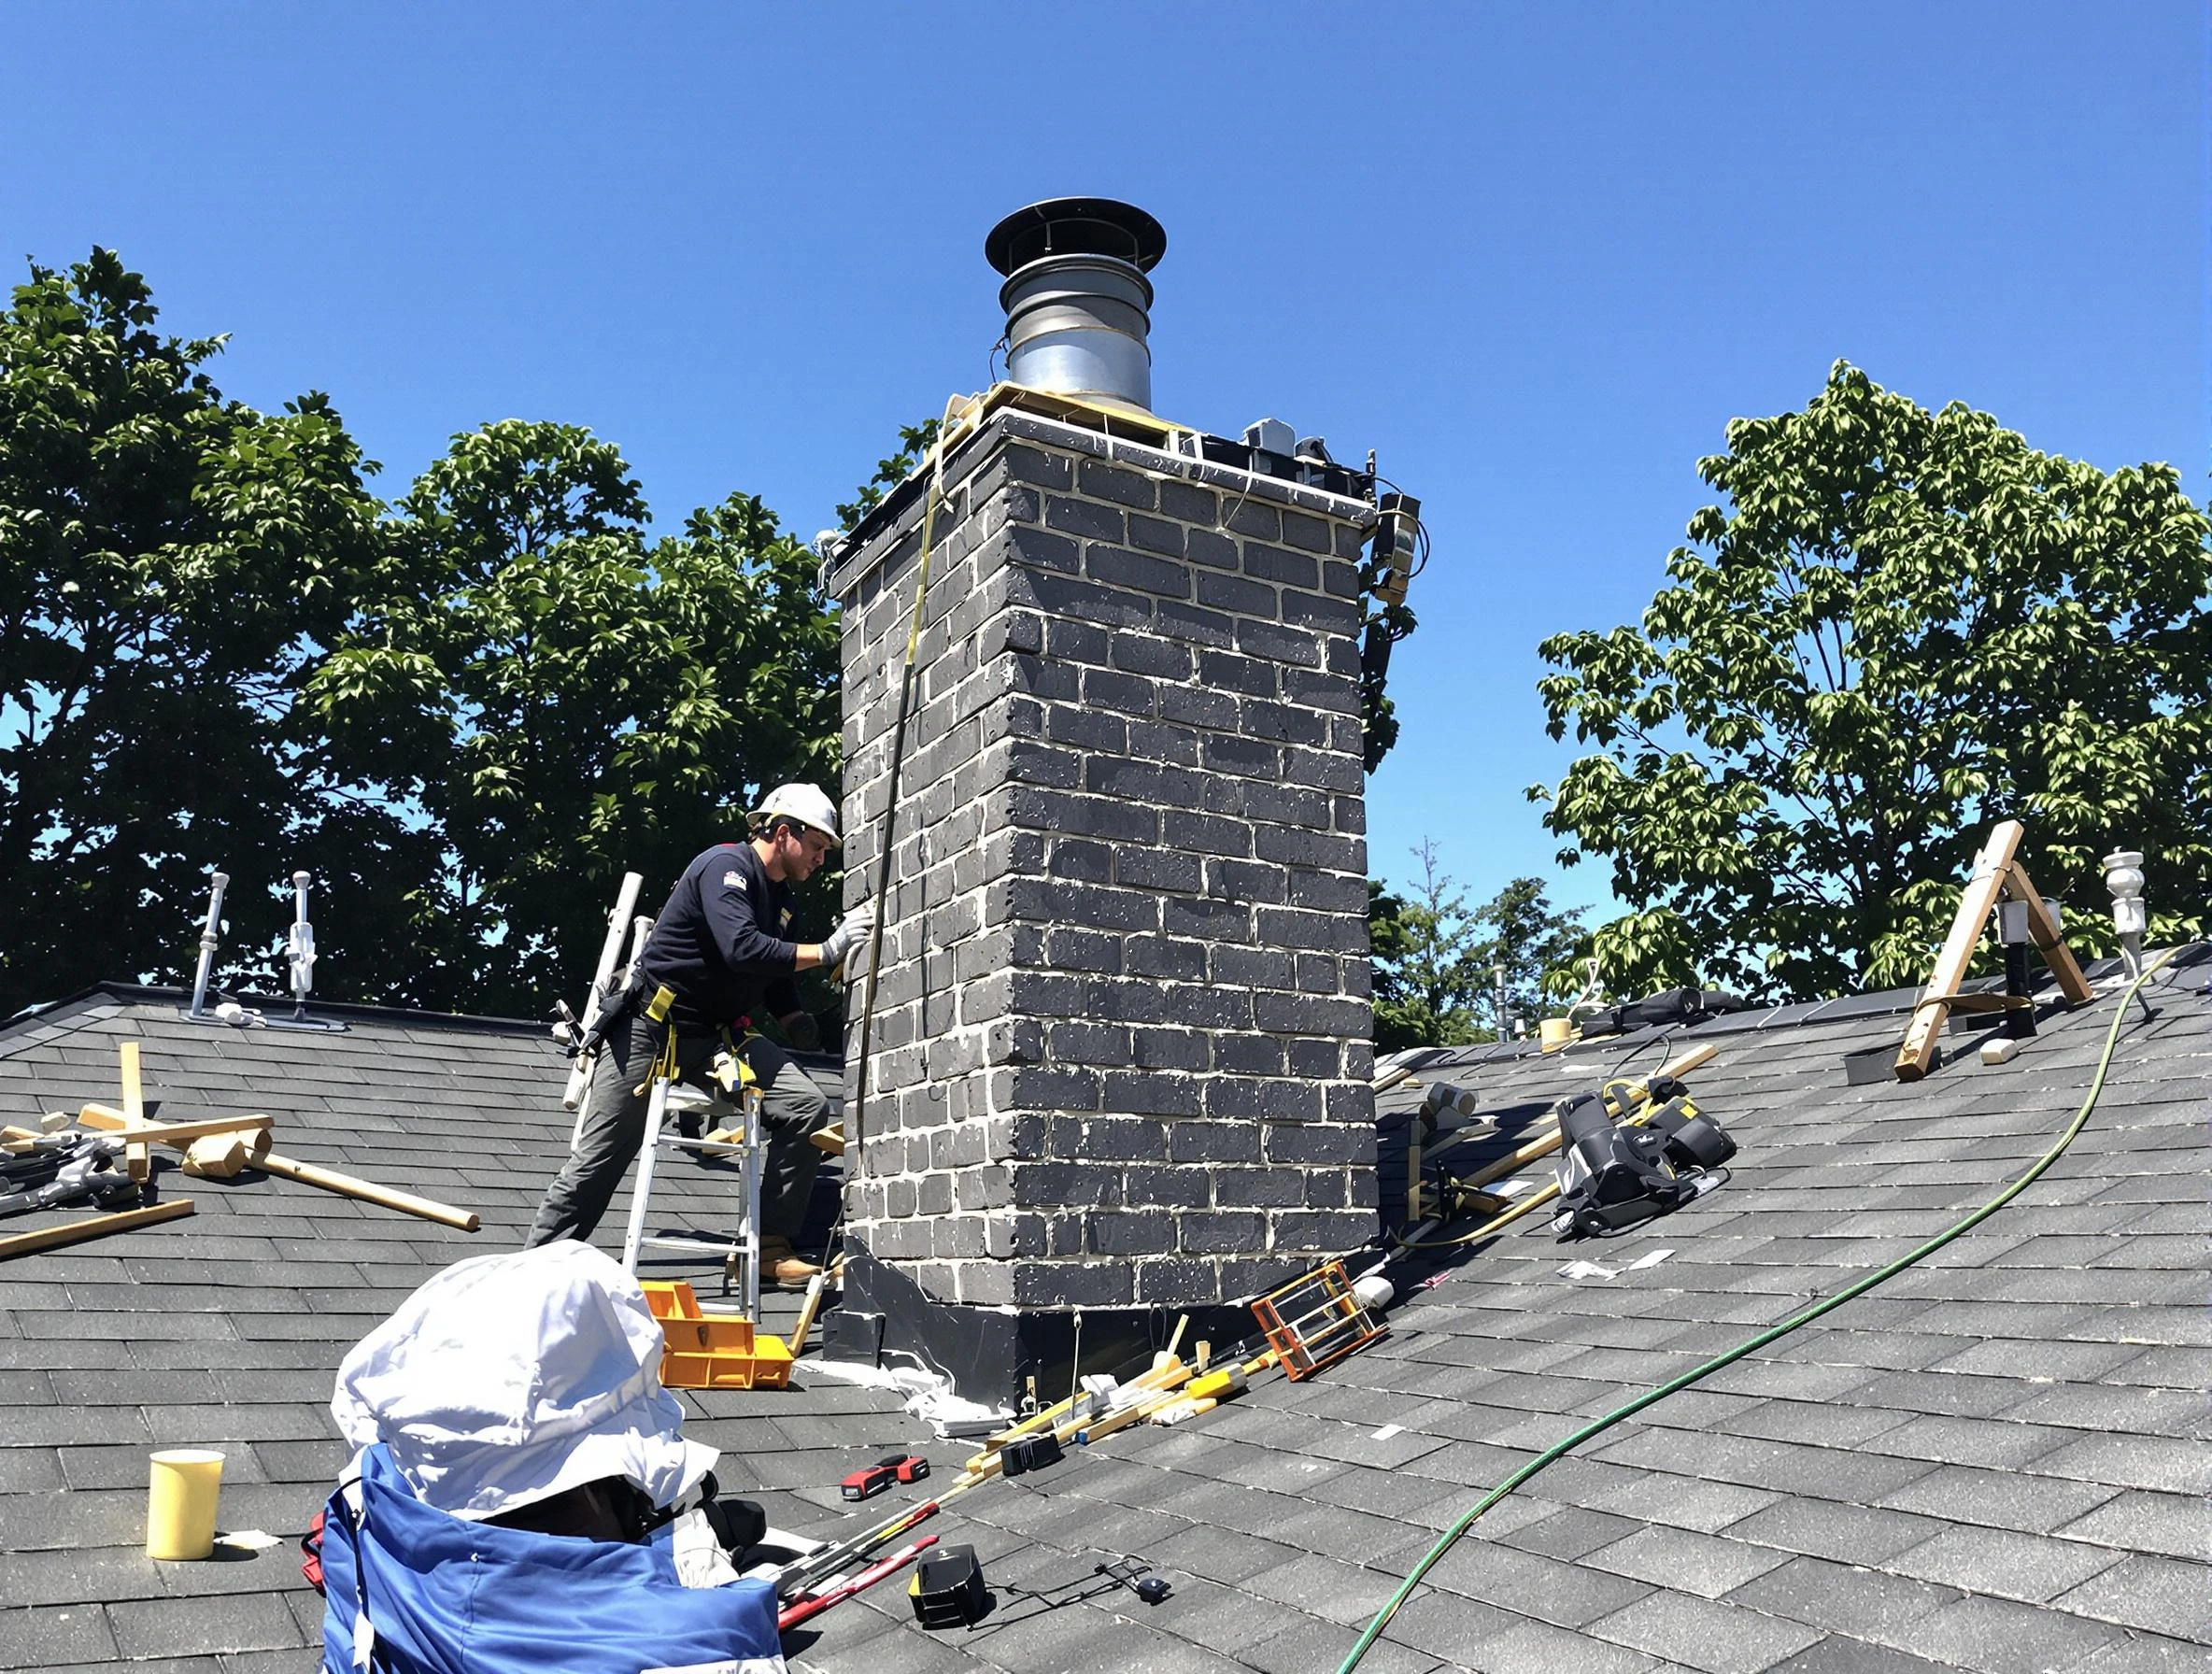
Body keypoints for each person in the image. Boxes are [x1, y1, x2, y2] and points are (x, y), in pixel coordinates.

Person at [525, 784, 871, 1285]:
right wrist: (826, 951)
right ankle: (532, 1270)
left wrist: (797, 1020)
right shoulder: (724, 868)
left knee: (805, 1106)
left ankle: (767, 1249)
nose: (821, 859)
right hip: (650, 1031)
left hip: (717, 1040)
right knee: (601, 1158)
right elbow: (742, 948)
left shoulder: (781, 899)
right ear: (783, 833)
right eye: (817, 846)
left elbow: (772, 976)